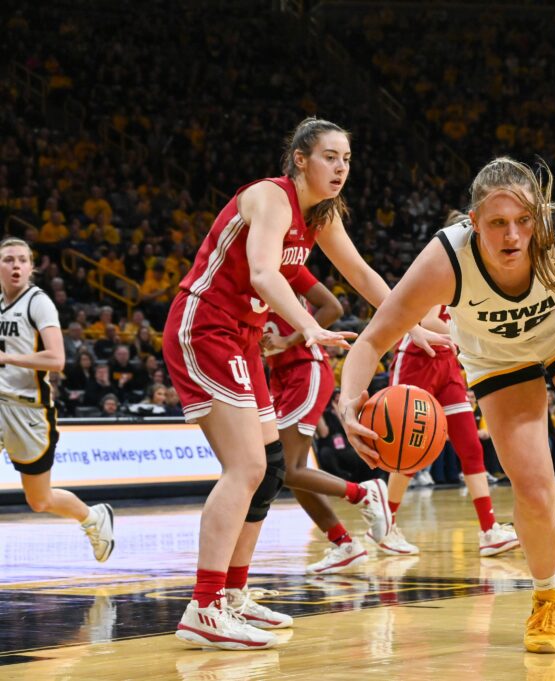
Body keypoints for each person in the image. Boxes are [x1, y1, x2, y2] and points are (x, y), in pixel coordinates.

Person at [338, 157, 555, 654]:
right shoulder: (444, 260)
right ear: (473, 223)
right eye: (498, 223)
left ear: (538, 217)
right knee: (534, 488)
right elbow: (371, 341)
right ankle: (546, 598)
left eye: (523, 221)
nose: (513, 235)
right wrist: (348, 402)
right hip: (497, 354)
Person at [162, 117, 445, 651]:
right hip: (205, 326)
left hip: (242, 336)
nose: (340, 167)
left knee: (270, 469)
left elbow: (364, 277)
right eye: (330, 157)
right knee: (245, 467)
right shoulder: (270, 198)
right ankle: (203, 605)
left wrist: (412, 325)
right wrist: (309, 327)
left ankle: (233, 595)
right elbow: (265, 274)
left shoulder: (321, 216)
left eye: (346, 159)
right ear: (299, 159)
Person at [261, 267, 391, 575]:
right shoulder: (246, 271)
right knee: (289, 471)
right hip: (280, 377)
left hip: (304, 368)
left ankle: (364, 494)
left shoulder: (284, 265)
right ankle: (343, 544)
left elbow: (333, 307)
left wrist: (289, 340)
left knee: (284, 468)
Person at [373, 305, 520, 557]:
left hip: (448, 364)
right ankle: (386, 525)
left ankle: (489, 530)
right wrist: (471, 337)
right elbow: (429, 321)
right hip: (417, 359)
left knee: (471, 447)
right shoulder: (444, 271)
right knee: (407, 448)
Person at [0, 238, 114, 562]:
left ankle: (93, 518)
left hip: (29, 411)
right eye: (9, 259)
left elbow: (57, 359)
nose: (16, 266)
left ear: (32, 267)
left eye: (22, 260)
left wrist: (8, 359)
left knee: (39, 500)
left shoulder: (38, 302)